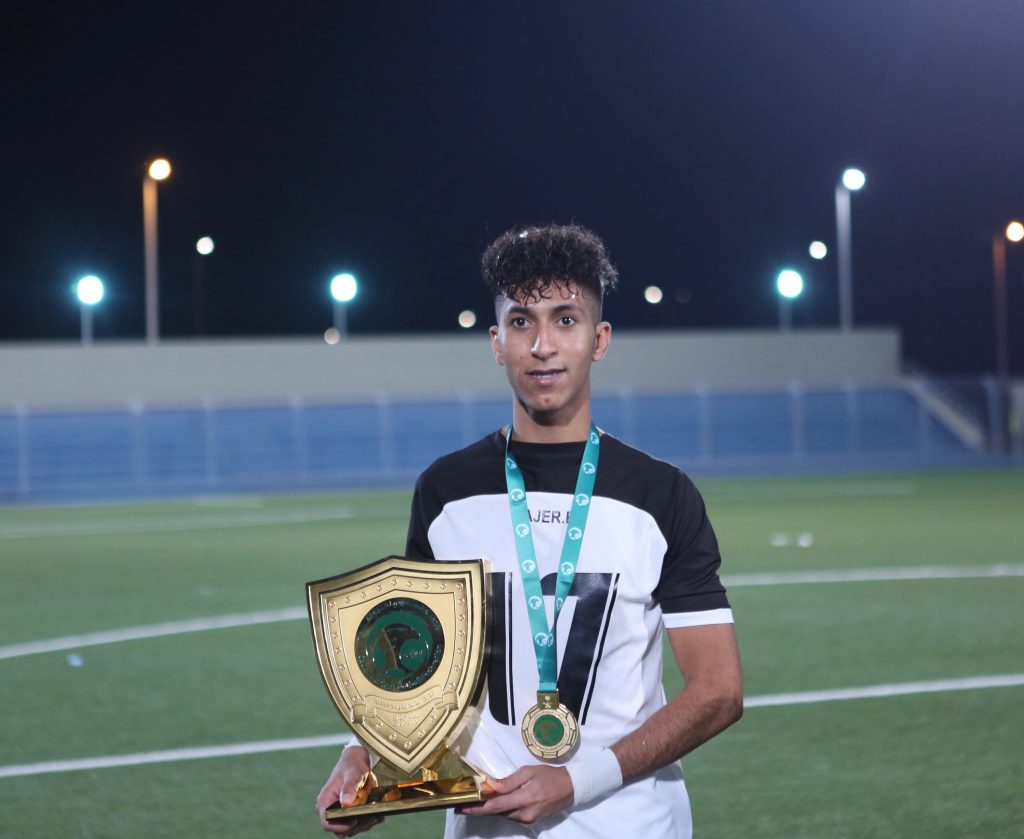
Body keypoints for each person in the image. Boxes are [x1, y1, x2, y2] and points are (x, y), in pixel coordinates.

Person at [317, 223, 743, 838]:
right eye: (521, 322)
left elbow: (718, 691)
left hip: (631, 825)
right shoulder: (446, 492)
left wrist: (577, 781)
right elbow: (418, 666)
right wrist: (364, 754)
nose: (543, 345)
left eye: (565, 320)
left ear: (599, 339)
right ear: (497, 342)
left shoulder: (661, 495)